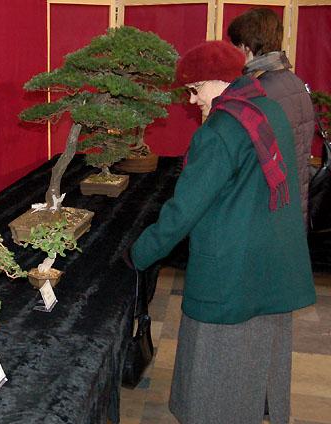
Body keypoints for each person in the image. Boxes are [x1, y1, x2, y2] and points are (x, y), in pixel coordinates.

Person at [125, 41, 316, 424]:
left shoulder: (219, 131)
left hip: (231, 270)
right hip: (274, 259)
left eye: (194, 90)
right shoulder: (269, 110)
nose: (192, 100)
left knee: (218, 366)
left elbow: (184, 211)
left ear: (216, 81)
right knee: (262, 349)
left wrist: (138, 253)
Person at [228, 8, 316, 227]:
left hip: (272, 205)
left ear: (247, 47)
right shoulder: (294, 81)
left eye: (235, 46)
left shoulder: (260, 91)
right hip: (294, 199)